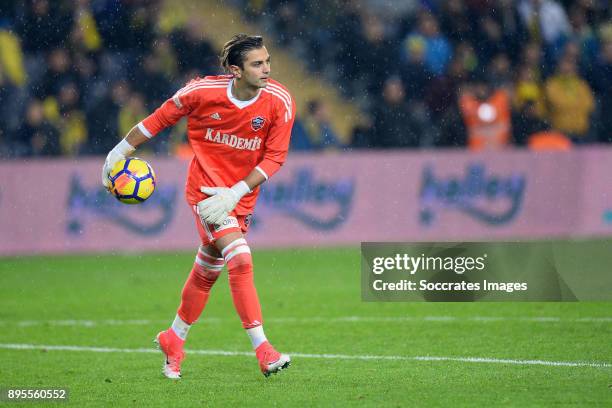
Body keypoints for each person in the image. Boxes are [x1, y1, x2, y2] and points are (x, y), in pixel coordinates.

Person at [100, 34, 295, 379]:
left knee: (208, 268)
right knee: (240, 257)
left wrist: (236, 192)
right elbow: (158, 120)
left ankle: (173, 338)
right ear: (236, 70)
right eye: (257, 64)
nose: (267, 69)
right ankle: (264, 350)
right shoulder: (201, 91)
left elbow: (276, 156)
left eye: (267, 61)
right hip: (205, 194)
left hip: (240, 196)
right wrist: (118, 153)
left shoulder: (280, 101)